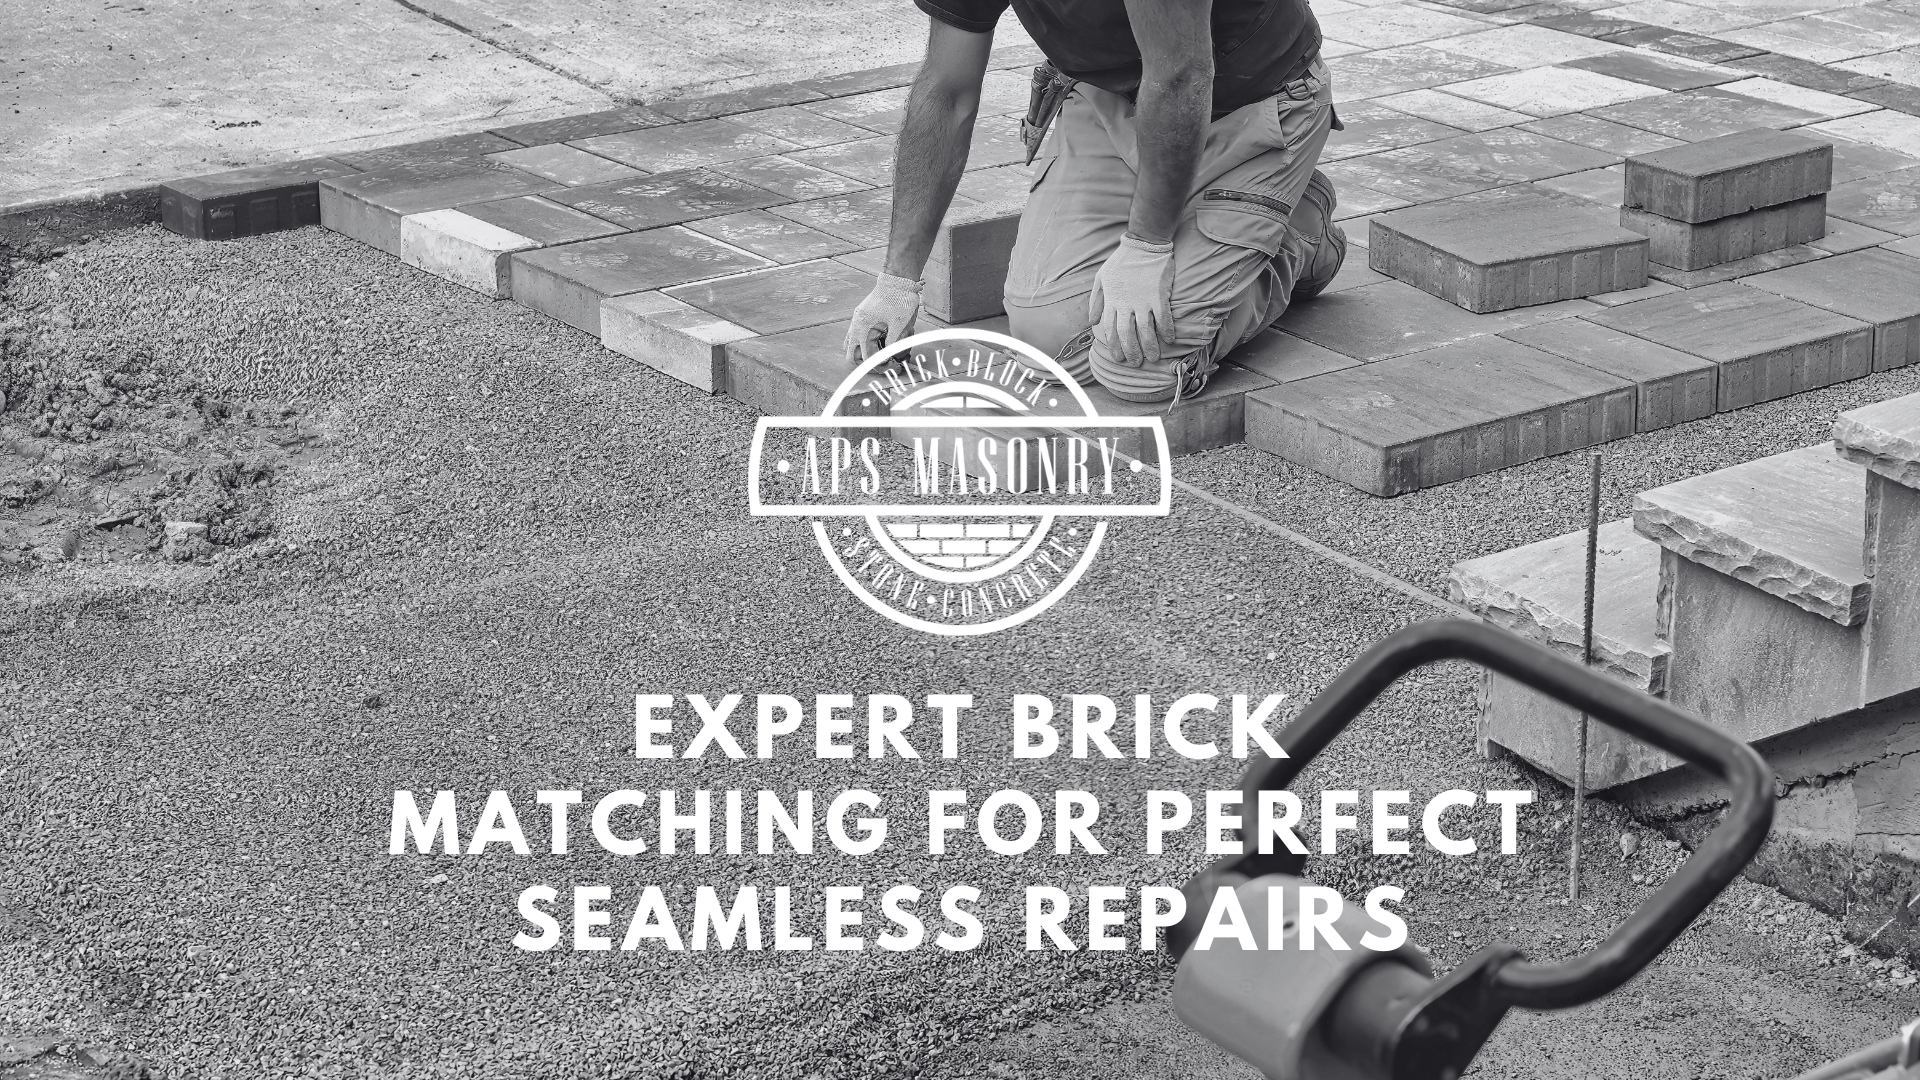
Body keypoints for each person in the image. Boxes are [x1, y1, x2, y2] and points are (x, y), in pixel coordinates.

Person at [842, 0, 1347, 404]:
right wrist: (897, 280)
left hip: (1255, 104)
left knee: (1144, 368)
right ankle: (1220, 219)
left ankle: (1301, 231)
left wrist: (1147, 247)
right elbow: (946, 92)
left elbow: (1180, 77)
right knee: (1049, 344)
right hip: (1115, 101)